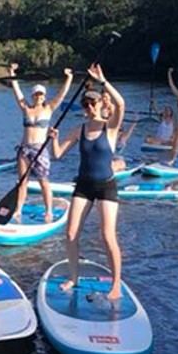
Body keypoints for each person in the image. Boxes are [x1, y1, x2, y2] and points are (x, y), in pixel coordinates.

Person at [47, 64, 125, 301]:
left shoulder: (109, 128)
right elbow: (58, 155)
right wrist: (54, 139)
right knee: (70, 234)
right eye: (86, 104)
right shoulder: (78, 129)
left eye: (93, 103)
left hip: (105, 186)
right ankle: (73, 276)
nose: (89, 107)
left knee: (107, 236)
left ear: (100, 104)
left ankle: (116, 284)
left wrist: (104, 81)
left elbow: (120, 104)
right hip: (83, 186)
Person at [9, 62, 73, 223]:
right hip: (24, 149)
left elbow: (62, 95)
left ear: (44, 96)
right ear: (32, 96)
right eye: (36, 94)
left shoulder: (49, 108)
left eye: (41, 94)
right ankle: (18, 210)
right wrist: (11, 73)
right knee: (22, 182)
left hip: (40, 149)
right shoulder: (26, 108)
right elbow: (16, 92)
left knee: (43, 181)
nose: (38, 97)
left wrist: (69, 78)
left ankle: (49, 211)